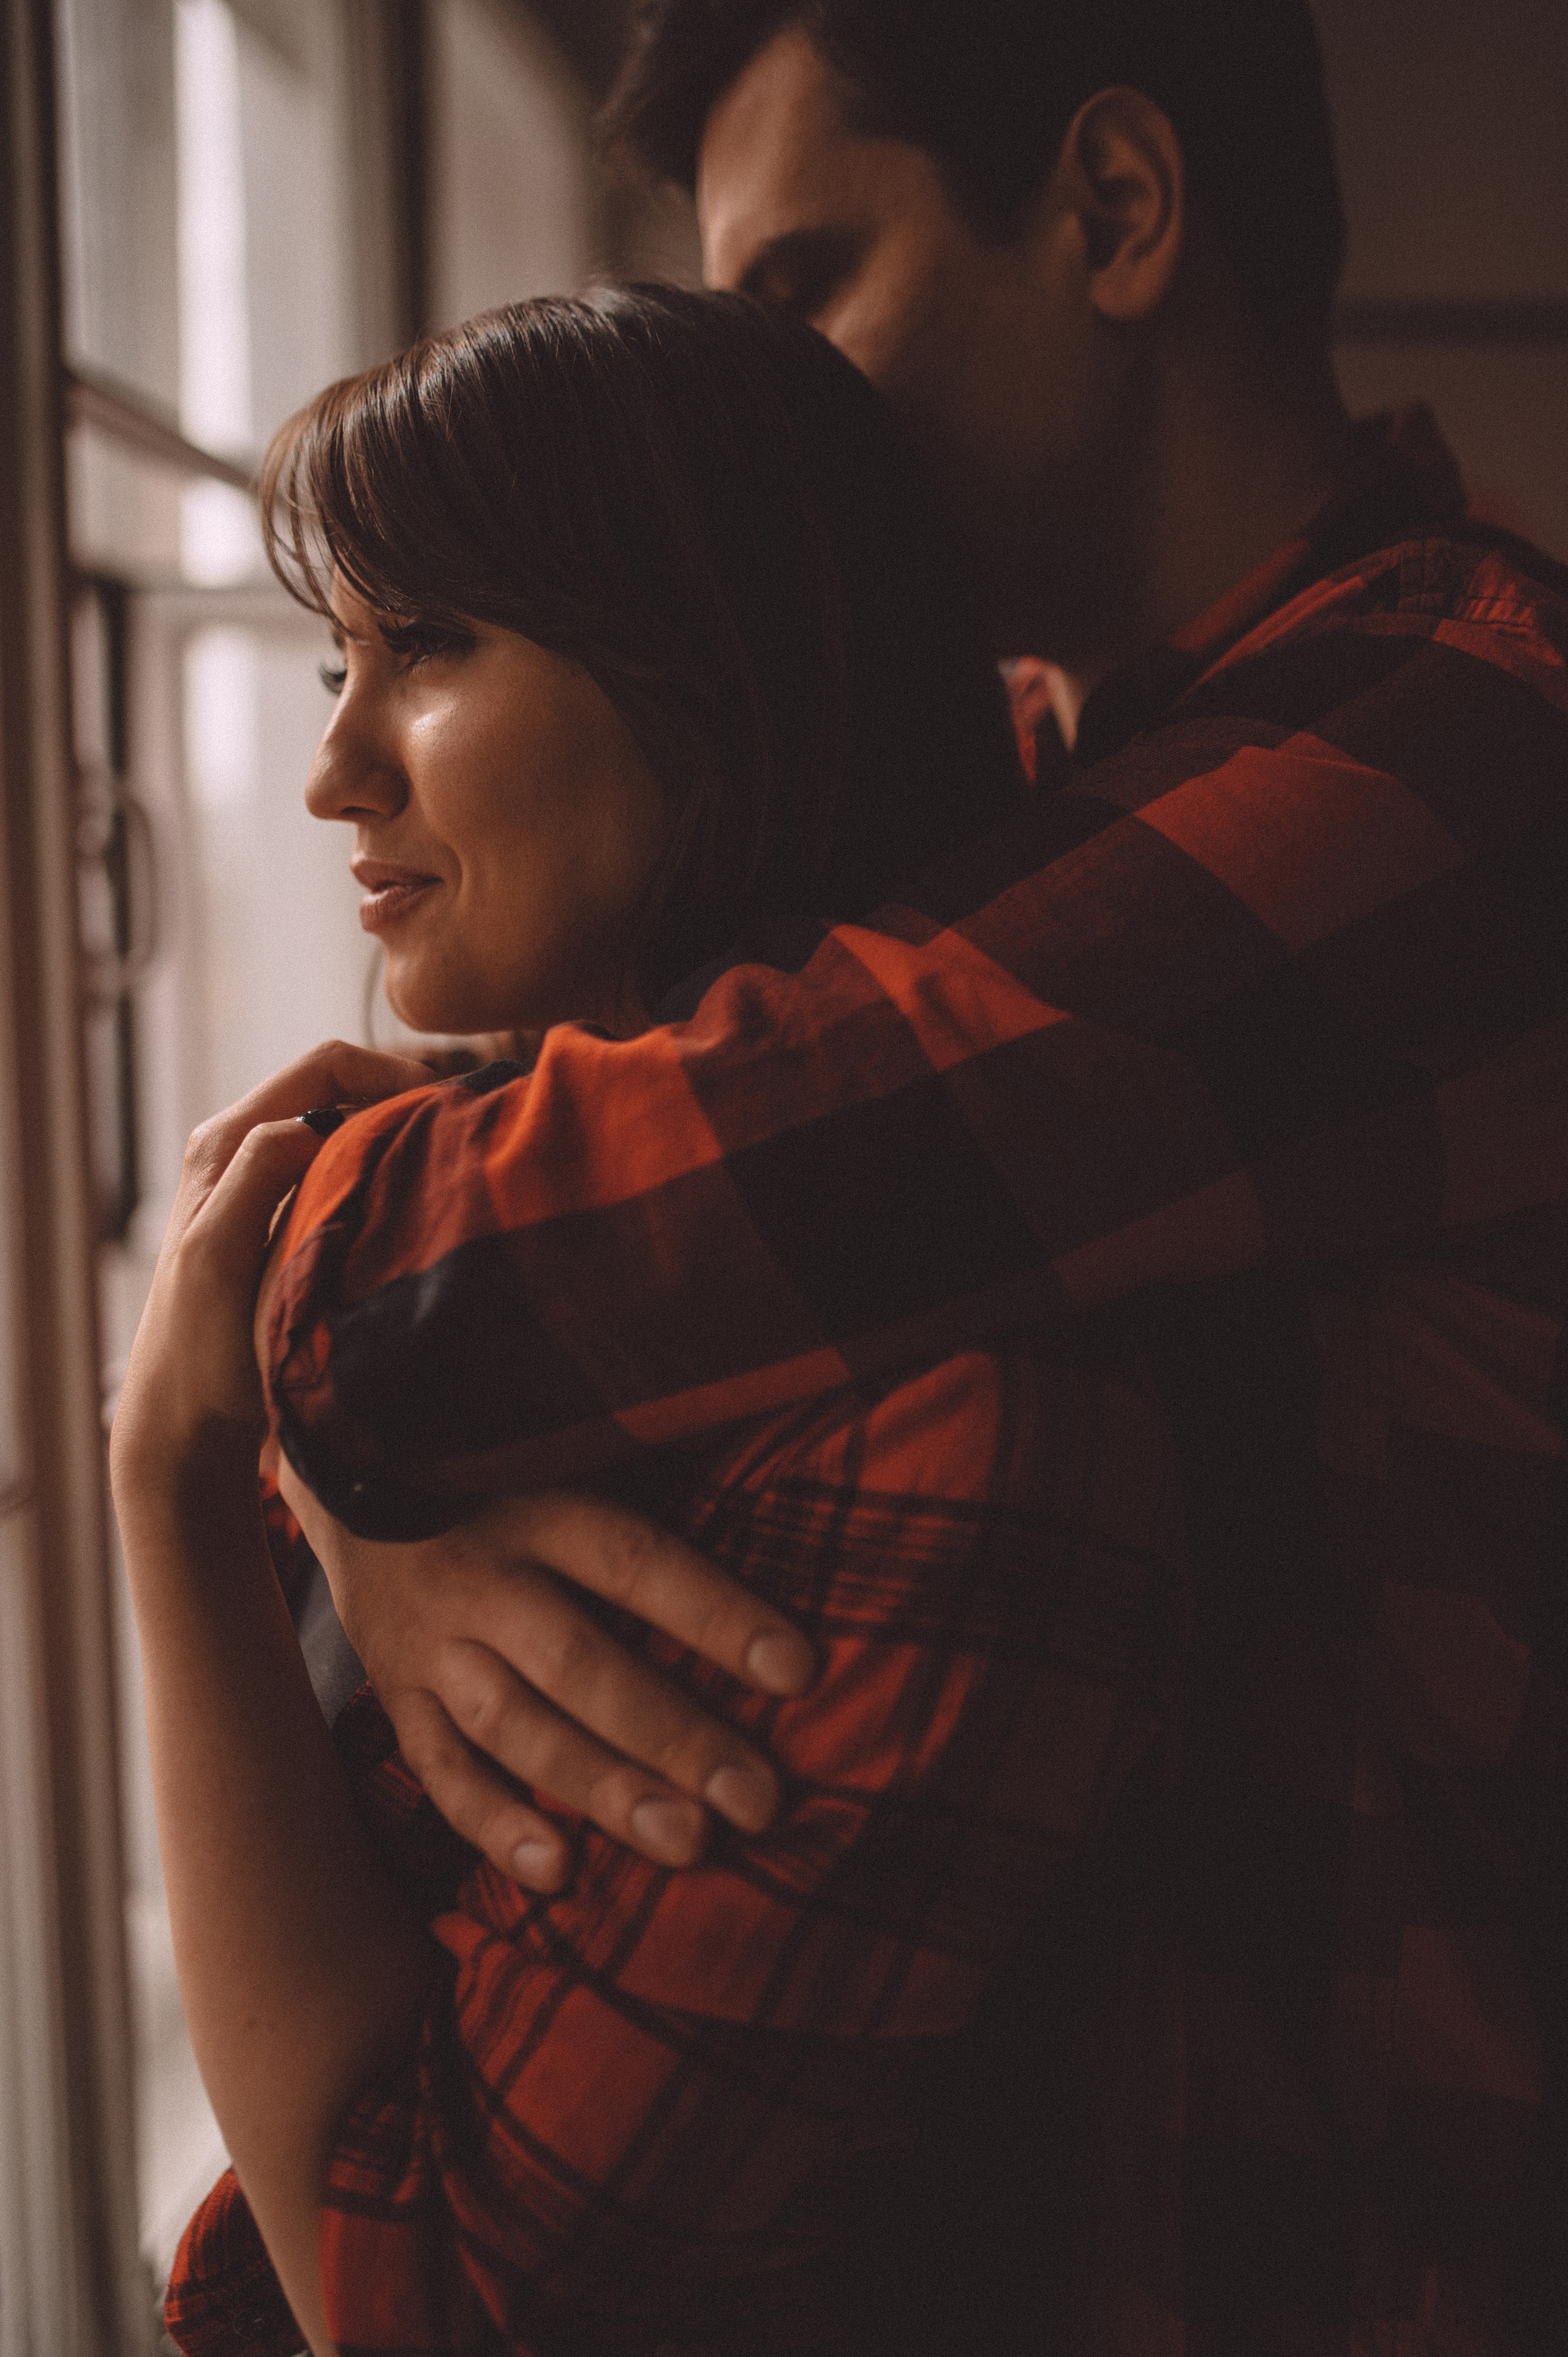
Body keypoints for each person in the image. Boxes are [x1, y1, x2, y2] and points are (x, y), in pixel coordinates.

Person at [237, 2, 1568, 2351]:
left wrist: (273, 1402)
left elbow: (451, 1270)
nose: (777, 404)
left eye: (806, 291)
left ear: (1119, 210)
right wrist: (358, 1499)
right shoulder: (1044, 778)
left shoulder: (1462, 752)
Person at [115, 285, 1192, 2356]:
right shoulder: (439, 1240)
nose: (336, 768)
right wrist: (345, 1490)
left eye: (425, 649)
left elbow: (406, 2299)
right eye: (343, 656)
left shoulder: (961, 1417)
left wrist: (169, 1479)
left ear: (720, 680)